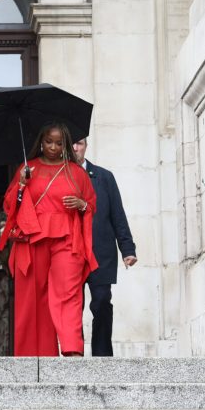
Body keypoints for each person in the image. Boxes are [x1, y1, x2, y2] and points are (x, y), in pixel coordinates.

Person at [0, 121, 97, 357]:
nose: (53, 147)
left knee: (68, 291)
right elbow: (10, 205)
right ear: (40, 142)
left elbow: (91, 204)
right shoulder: (27, 168)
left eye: (58, 143)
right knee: (33, 297)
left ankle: (72, 347)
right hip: (33, 238)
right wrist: (21, 183)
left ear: (66, 145)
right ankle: (34, 354)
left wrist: (82, 205)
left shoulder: (77, 173)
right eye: (48, 141)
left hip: (67, 238)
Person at [72, 138, 137, 357]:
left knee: (101, 301)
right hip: (70, 252)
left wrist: (127, 249)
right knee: (73, 307)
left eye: (79, 143)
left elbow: (117, 214)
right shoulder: (60, 177)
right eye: (70, 143)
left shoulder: (104, 177)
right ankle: (74, 353)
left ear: (86, 146)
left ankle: (102, 355)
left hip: (101, 252)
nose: (75, 148)